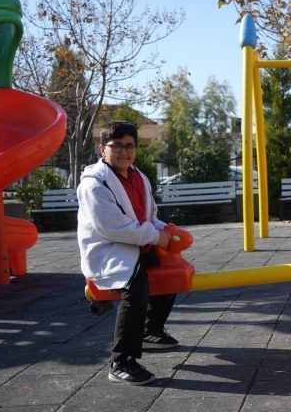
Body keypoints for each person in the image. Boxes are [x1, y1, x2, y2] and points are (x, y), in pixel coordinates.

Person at [77, 121, 178, 386]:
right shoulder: (94, 184)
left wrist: (163, 229)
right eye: (117, 146)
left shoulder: (138, 177)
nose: (124, 152)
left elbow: (148, 215)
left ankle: (150, 331)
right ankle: (121, 361)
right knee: (136, 289)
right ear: (103, 149)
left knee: (172, 273)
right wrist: (155, 235)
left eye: (130, 146)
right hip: (109, 248)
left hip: (135, 242)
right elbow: (112, 227)